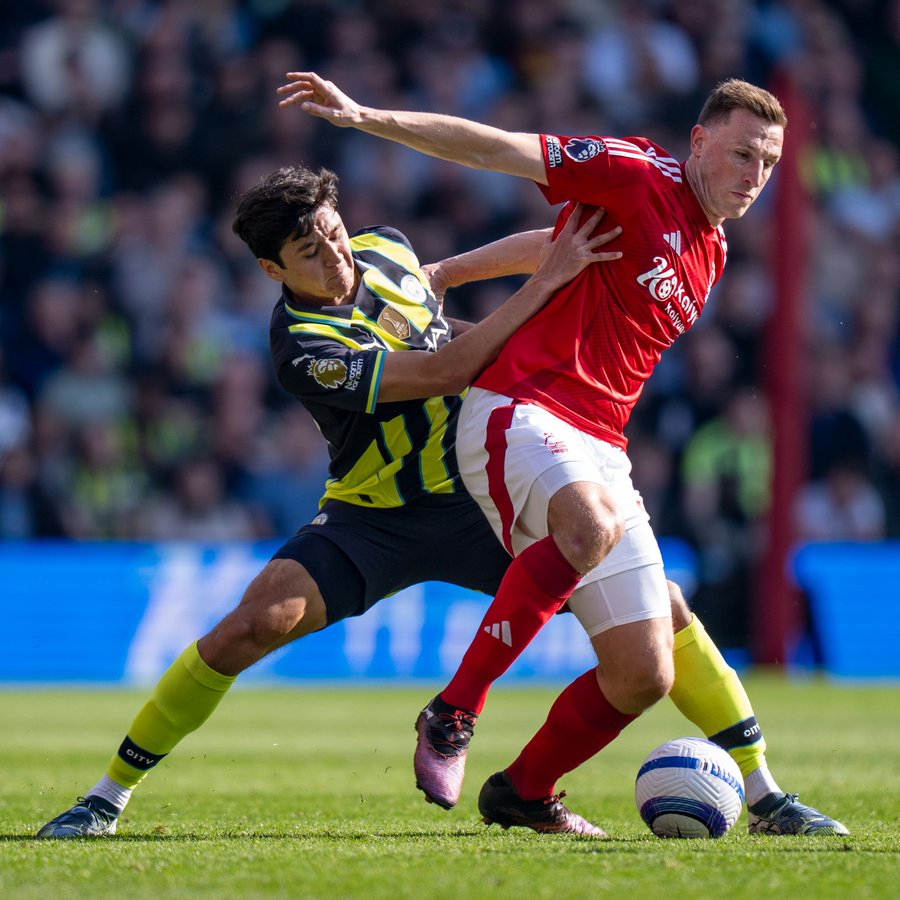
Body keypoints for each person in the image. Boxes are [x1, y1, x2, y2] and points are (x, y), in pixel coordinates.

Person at [278, 71, 849, 837]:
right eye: (743, 154)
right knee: (589, 520)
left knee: (646, 671)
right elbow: (496, 148)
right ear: (699, 143)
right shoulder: (636, 173)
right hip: (519, 409)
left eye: (769, 164)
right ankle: (453, 712)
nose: (755, 177)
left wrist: (450, 273)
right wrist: (364, 115)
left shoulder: (709, 253)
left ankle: (523, 790)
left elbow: (554, 244)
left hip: (601, 447)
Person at [35, 165, 620, 838]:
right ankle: (106, 797)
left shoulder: (387, 249)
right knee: (250, 627)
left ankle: (756, 783)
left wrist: (535, 264)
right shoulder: (303, 349)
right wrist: (545, 285)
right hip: (373, 517)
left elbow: (439, 324)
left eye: (336, 235)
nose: (335, 258)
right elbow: (441, 370)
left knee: (648, 605)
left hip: (479, 496)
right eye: (310, 253)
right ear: (270, 269)